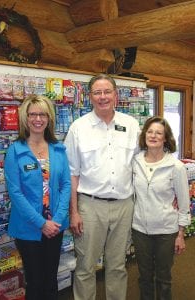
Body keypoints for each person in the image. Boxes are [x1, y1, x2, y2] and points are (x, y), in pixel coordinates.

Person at [64, 73, 140, 300]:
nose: (103, 96)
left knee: (117, 265)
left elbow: (140, 165)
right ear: (90, 97)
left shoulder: (131, 124)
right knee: (86, 266)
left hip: (124, 205)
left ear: (115, 95)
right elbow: (72, 174)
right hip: (90, 206)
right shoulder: (78, 128)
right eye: (97, 92)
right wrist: (74, 212)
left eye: (107, 91)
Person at [4, 95, 71, 300]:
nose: (38, 119)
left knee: (51, 279)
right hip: (28, 227)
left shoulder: (58, 149)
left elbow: (66, 185)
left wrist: (57, 220)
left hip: (55, 226)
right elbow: (15, 193)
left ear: (49, 118)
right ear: (25, 118)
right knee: (34, 281)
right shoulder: (15, 151)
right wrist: (41, 223)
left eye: (42, 114)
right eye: (33, 114)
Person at [132, 116, 191, 300]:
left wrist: (181, 234)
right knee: (144, 277)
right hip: (140, 229)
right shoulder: (135, 161)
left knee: (164, 279)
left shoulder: (176, 167)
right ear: (144, 135)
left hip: (166, 231)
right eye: (150, 131)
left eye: (159, 133)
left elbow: (183, 203)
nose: (153, 136)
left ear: (166, 138)